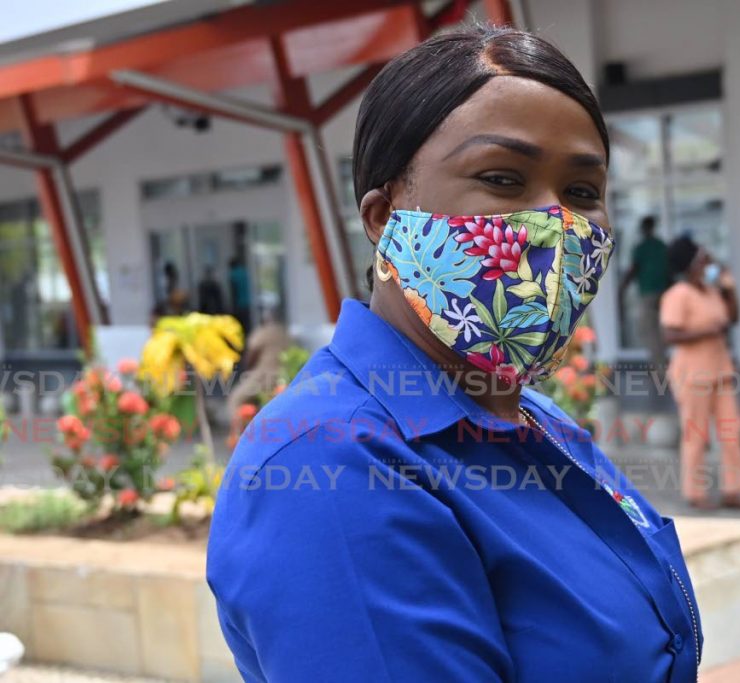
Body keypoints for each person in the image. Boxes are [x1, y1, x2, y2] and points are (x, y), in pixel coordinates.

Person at [208, 26, 702, 683]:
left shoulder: (535, 420)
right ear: (385, 216)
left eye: (583, 193)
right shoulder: (332, 461)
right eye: (503, 178)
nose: (555, 226)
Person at [660, 236, 740, 510]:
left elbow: (733, 318)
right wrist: (706, 331)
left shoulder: (712, 291)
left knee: (730, 432)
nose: (708, 261)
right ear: (691, 264)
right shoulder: (677, 294)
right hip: (692, 374)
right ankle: (695, 492)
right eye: (703, 257)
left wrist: (729, 287)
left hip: (721, 370)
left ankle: (733, 491)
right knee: (696, 433)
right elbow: (669, 334)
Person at [619, 215, 670, 366]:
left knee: (649, 331)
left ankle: (660, 368)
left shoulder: (642, 248)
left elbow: (633, 269)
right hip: (663, 293)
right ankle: (662, 363)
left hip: (649, 294)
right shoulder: (661, 246)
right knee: (659, 330)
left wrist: (622, 288)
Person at [225, 308, 291, 420]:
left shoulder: (262, 332)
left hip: (262, 376)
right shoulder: (285, 334)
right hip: (283, 376)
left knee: (235, 399)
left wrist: (247, 369)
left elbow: (251, 356)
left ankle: (238, 434)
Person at [228, 256, 251, 332]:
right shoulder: (245, 271)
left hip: (240, 304)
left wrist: (232, 306)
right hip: (249, 302)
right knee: (248, 324)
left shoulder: (233, 274)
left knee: (241, 326)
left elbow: (233, 292)